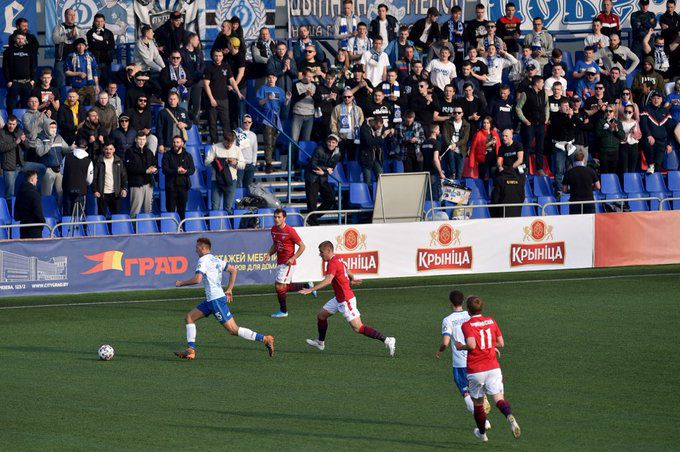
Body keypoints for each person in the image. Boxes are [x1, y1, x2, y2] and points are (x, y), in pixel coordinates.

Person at [175, 237, 275, 360]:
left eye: (197, 247)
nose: (195, 250)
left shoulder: (203, 260)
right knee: (189, 317)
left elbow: (198, 279)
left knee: (233, 330)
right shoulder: (215, 259)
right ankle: (191, 350)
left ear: (203, 248)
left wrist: (181, 283)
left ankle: (265, 339)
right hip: (211, 300)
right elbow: (233, 270)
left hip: (215, 300)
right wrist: (229, 289)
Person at [300, 240, 396, 356]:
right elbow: (346, 270)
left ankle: (387, 340)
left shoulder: (332, 263)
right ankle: (320, 342)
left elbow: (328, 280)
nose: (320, 254)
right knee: (321, 315)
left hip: (346, 300)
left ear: (328, 251)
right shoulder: (338, 259)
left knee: (358, 328)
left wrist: (311, 289)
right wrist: (352, 278)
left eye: (321, 252)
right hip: (338, 299)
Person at [455, 295, 521, 442]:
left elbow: (472, 345)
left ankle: (482, 434)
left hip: (476, 369)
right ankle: (509, 416)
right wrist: (490, 346)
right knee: (498, 398)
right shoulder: (491, 320)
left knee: (478, 403)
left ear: (468, 310)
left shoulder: (467, 325)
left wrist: (460, 346)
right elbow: (501, 343)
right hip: (493, 367)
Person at [436, 290, 492, 419]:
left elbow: (445, 342)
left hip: (460, 363)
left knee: (465, 392)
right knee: (475, 388)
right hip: (476, 359)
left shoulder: (448, 320)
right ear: (463, 302)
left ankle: (483, 421)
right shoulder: (471, 314)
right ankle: (481, 394)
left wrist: (440, 350)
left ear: (451, 302)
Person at [267, 208, 314, 318]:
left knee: (279, 286)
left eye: (279, 217)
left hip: (288, 263)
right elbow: (275, 245)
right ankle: (306, 285)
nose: (276, 219)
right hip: (280, 261)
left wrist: (293, 258)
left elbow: (302, 246)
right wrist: (268, 254)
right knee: (281, 286)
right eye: (275, 217)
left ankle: (284, 311)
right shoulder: (273, 229)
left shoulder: (290, 231)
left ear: (284, 218)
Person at [203, 49, 241, 144]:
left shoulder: (226, 66)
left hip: (224, 100)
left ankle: (227, 144)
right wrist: (211, 99)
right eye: (216, 55)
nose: (218, 57)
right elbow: (206, 84)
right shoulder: (209, 68)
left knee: (226, 124)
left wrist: (238, 92)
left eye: (220, 55)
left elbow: (232, 80)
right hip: (212, 100)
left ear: (222, 56)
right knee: (213, 124)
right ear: (213, 56)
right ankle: (214, 144)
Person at [258, 73, 291, 173]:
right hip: (267, 117)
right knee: (268, 141)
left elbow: (283, 104)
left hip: (277, 118)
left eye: (273, 77)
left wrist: (288, 99)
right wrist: (267, 98)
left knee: (273, 141)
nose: (271, 79)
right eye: (269, 77)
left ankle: (270, 161)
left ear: (276, 79)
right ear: (267, 78)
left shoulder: (279, 90)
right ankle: (268, 164)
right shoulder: (263, 88)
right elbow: (259, 103)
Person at [204, 131, 245, 213]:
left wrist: (235, 162)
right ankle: (215, 225)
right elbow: (207, 162)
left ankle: (228, 225)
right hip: (216, 180)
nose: (229, 145)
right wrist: (218, 161)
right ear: (223, 140)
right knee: (215, 207)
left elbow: (243, 165)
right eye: (227, 143)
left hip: (231, 181)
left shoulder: (237, 149)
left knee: (228, 207)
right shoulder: (215, 147)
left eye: (231, 143)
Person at [305, 135, 341, 226]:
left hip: (323, 178)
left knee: (331, 198)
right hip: (312, 177)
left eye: (333, 142)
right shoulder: (319, 149)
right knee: (312, 201)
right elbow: (312, 164)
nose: (331, 144)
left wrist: (324, 173)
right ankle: (313, 222)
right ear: (326, 142)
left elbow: (331, 169)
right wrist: (325, 169)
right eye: (329, 142)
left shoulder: (337, 154)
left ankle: (314, 216)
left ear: (337, 144)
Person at [516, 76, 549, 175]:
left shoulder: (544, 93)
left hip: (541, 125)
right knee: (527, 147)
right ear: (537, 83)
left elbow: (547, 105)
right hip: (529, 125)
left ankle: (539, 168)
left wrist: (547, 117)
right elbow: (518, 108)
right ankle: (525, 168)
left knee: (540, 147)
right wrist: (525, 120)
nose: (543, 85)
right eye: (542, 83)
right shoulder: (525, 93)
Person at [640, 91, 679, 174]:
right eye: (654, 98)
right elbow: (644, 124)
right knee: (651, 162)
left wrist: (669, 144)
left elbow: (669, 129)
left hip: (662, 142)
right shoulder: (646, 109)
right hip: (650, 140)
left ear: (662, 100)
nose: (656, 100)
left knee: (657, 165)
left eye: (658, 98)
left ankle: (655, 184)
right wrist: (649, 135)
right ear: (651, 99)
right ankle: (650, 165)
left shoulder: (665, 111)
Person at [162, 135, 195, 220]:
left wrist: (185, 171)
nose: (175, 144)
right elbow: (164, 170)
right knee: (170, 211)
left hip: (183, 187)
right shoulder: (167, 155)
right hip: (170, 187)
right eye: (174, 142)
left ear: (182, 143)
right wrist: (176, 170)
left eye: (178, 142)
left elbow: (192, 170)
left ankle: (182, 229)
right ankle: (171, 229)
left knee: (182, 211)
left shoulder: (188, 155)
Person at [124, 132, 156, 217]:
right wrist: (145, 171)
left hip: (148, 183)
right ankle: (134, 228)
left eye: (143, 139)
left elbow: (154, 164)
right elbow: (130, 168)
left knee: (148, 209)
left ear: (146, 141)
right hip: (136, 184)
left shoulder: (149, 152)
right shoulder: (129, 152)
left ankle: (149, 228)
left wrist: (154, 170)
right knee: (135, 210)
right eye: (140, 139)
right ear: (136, 140)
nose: (142, 141)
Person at [52, 8, 86, 88]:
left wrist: (76, 36)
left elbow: (85, 42)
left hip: (74, 61)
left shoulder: (79, 29)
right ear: (65, 16)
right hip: (61, 61)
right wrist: (68, 35)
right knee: (61, 84)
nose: (72, 17)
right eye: (70, 15)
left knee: (74, 84)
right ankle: (61, 99)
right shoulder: (58, 27)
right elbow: (55, 40)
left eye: (74, 15)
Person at [3, 34, 36, 114]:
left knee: (27, 105)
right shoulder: (9, 51)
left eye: (22, 38)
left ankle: (25, 123)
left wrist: (32, 80)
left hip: (27, 82)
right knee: (11, 105)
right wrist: (8, 81)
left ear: (25, 39)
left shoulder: (29, 50)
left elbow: (33, 66)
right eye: (18, 38)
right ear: (15, 39)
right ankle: (11, 121)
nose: (20, 40)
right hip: (14, 82)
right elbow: (5, 67)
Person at [93, 142, 128, 217]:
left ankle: (115, 229)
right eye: (106, 149)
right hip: (102, 194)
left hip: (116, 194)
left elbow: (124, 176)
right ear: (103, 149)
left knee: (116, 217)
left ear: (114, 150)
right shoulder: (98, 161)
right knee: (102, 217)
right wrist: (95, 190)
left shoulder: (119, 161)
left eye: (110, 149)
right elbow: (94, 178)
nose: (108, 151)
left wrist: (124, 189)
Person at [36, 120, 69, 199]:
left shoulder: (58, 137)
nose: (54, 129)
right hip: (47, 169)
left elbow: (66, 149)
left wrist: (71, 148)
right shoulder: (40, 138)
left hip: (59, 169)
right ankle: (45, 210)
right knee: (46, 194)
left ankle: (58, 211)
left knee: (60, 194)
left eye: (55, 127)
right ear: (46, 127)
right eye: (51, 127)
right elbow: (39, 152)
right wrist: (50, 142)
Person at [61, 140, 94, 216]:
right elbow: (89, 180)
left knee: (67, 215)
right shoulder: (88, 161)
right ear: (86, 148)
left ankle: (66, 228)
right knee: (79, 216)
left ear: (76, 146)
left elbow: (62, 172)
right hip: (81, 191)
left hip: (67, 189)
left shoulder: (66, 157)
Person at [330, 87, 364, 160]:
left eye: (349, 97)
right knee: (340, 159)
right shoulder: (337, 108)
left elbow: (361, 122)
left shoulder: (358, 109)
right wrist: (336, 136)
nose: (347, 98)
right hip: (341, 138)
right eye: (345, 97)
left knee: (352, 159)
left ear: (353, 97)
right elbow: (333, 123)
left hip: (354, 138)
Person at [180, 32, 205, 120]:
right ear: (191, 40)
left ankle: (196, 123)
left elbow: (202, 65)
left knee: (196, 104)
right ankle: (184, 122)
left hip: (197, 82)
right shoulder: (182, 52)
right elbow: (181, 66)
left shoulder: (199, 52)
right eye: (197, 40)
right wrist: (188, 77)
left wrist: (199, 75)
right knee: (184, 104)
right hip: (186, 82)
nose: (198, 42)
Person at [13, 170, 45, 239]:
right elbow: (38, 212)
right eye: (36, 178)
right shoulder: (35, 194)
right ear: (32, 179)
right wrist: (42, 223)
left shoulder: (20, 192)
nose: (37, 180)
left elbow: (16, 210)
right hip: (35, 229)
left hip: (23, 227)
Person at [441, 106, 470, 180]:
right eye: (455, 112)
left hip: (461, 150)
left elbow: (465, 138)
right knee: (452, 172)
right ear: (453, 114)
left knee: (459, 173)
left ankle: (458, 189)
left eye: (459, 113)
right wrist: (450, 145)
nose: (457, 114)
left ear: (462, 114)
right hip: (450, 148)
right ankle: (452, 177)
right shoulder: (447, 123)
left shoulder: (466, 124)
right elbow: (445, 135)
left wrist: (456, 144)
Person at [86, 14, 115, 86]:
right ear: (94, 22)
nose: (99, 23)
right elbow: (92, 46)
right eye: (97, 21)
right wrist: (105, 43)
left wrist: (98, 43)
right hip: (94, 62)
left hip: (107, 62)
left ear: (104, 22)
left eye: (101, 21)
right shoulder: (90, 33)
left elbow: (111, 46)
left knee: (107, 83)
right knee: (95, 83)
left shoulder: (109, 33)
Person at [291, 68, 317, 144]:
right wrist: (305, 94)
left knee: (306, 139)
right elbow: (294, 98)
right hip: (297, 114)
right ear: (303, 75)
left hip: (309, 115)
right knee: (294, 138)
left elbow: (318, 99)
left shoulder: (314, 85)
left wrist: (313, 95)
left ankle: (304, 156)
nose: (310, 79)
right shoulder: (296, 84)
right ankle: (292, 156)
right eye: (308, 76)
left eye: (311, 77)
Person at [596, 106, 625, 174]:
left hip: (615, 151)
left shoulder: (618, 122)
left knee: (613, 172)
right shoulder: (601, 121)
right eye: (606, 111)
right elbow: (598, 134)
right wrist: (609, 129)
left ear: (614, 113)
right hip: (604, 151)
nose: (608, 113)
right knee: (604, 172)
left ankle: (613, 184)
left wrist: (617, 130)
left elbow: (622, 136)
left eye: (610, 111)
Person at [359, 117, 388, 184]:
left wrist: (391, 131)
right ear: (373, 122)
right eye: (377, 126)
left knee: (381, 179)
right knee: (368, 181)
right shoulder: (364, 128)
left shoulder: (379, 128)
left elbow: (381, 141)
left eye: (380, 127)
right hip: (366, 157)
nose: (378, 128)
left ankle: (380, 194)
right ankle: (368, 194)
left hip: (376, 157)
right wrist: (382, 136)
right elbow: (369, 142)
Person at [421, 123, 444, 200]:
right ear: (435, 131)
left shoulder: (423, 143)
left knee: (427, 196)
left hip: (425, 173)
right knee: (434, 196)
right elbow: (435, 159)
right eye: (438, 129)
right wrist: (441, 173)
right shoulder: (436, 143)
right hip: (433, 173)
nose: (439, 131)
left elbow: (419, 158)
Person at [236, 115, 258, 192]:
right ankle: (238, 202)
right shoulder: (237, 133)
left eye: (249, 122)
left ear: (251, 123)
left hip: (250, 164)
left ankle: (246, 203)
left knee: (248, 187)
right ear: (242, 123)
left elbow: (255, 150)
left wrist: (254, 163)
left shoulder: (253, 135)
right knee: (238, 186)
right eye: (245, 122)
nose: (247, 123)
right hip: (240, 164)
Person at [619, 104, 642, 175]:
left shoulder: (635, 122)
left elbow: (639, 135)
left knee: (632, 167)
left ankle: (631, 184)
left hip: (633, 145)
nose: (627, 113)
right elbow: (618, 135)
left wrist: (634, 133)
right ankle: (624, 184)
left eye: (629, 112)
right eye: (626, 111)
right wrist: (627, 133)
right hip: (623, 145)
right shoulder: (620, 122)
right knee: (624, 167)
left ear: (633, 113)